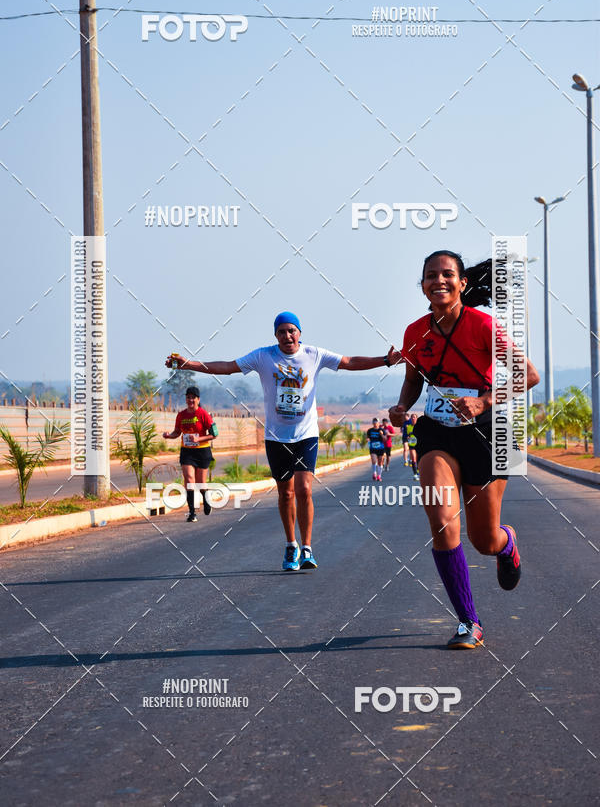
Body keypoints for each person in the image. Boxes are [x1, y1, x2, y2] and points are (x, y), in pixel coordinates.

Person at [167, 311, 402, 570]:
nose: (287, 335)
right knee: (286, 493)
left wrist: (385, 360)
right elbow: (227, 367)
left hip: (306, 435)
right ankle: (291, 545)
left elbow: (349, 361)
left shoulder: (314, 355)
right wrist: (190, 365)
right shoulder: (263, 356)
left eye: (292, 330)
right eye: (282, 331)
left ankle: (308, 548)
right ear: (275, 335)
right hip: (276, 437)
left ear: (300, 332)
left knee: (304, 489)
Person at [389, 250, 540, 650]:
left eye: (447, 274)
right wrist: (403, 406)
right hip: (437, 431)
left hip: (487, 432)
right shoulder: (414, 332)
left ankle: (507, 544)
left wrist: (484, 400)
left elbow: (529, 375)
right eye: (430, 275)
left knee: (483, 539)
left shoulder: (483, 326)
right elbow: (413, 381)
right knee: (441, 519)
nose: (438, 280)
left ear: (462, 283)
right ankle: (468, 621)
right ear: (421, 285)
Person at [162, 386, 216, 522]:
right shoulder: (181, 415)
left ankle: (205, 498)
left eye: (193, 397)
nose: (190, 400)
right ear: (186, 399)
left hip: (202, 451)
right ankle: (192, 513)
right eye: (188, 397)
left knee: (200, 483)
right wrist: (169, 435)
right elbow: (177, 432)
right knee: (189, 479)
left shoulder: (204, 415)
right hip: (187, 451)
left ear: (198, 399)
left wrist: (198, 439)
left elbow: (214, 435)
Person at [407, 413, 419, 479]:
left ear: (417, 418)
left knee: (418, 459)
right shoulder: (409, 427)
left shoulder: (420, 426)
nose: (413, 418)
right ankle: (415, 474)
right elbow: (408, 435)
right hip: (412, 444)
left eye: (414, 417)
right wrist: (408, 437)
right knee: (413, 459)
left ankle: (418, 470)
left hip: (419, 445)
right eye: (412, 417)